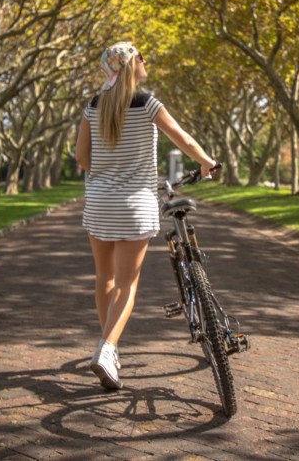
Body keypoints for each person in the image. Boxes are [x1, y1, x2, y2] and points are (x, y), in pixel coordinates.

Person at [75, 41, 216, 389]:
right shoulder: (147, 103)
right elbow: (181, 138)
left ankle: (111, 350)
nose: (146, 61)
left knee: (104, 279)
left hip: (99, 202)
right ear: (129, 66)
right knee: (127, 283)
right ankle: (107, 348)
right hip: (134, 204)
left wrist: (106, 175)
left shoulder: (93, 107)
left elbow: (81, 157)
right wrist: (205, 162)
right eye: (141, 57)